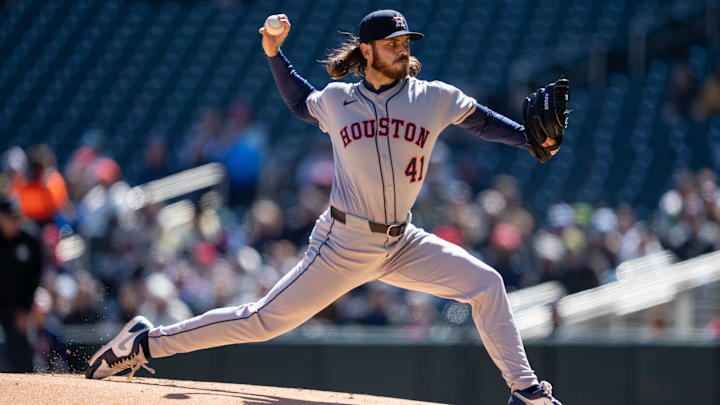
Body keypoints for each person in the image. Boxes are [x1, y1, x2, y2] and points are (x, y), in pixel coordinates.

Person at [85, 10, 562, 405]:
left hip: (403, 240)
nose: (403, 48)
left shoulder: (434, 97)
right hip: (343, 241)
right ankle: (143, 342)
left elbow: (481, 123)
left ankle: (525, 392)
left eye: (406, 41)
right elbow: (298, 101)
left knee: (486, 284)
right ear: (368, 51)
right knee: (261, 321)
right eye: (393, 42)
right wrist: (273, 52)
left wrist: (530, 142)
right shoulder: (338, 100)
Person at [0, 195, 43, 372]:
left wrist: (25, 309)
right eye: (10, 217)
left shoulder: (29, 239)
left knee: (21, 351)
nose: (14, 222)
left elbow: (34, 278)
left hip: (18, 305)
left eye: (17, 217)